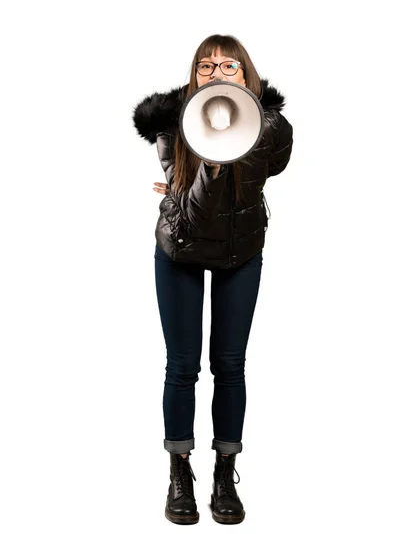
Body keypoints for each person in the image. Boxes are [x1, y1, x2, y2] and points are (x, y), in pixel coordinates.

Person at [132, 34, 293, 525]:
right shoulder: (171, 123)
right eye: (206, 66)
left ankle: (226, 471)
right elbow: (198, 211)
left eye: (228, 66)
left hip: (240, 250)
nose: (216, 73)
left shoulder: (265, 125)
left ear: (245, 73)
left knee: (230, 364)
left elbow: (279, 161)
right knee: (182, 366)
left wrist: (246, 127)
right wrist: (211, 163)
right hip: (180, 247)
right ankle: (180, 470)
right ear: (192, 75)